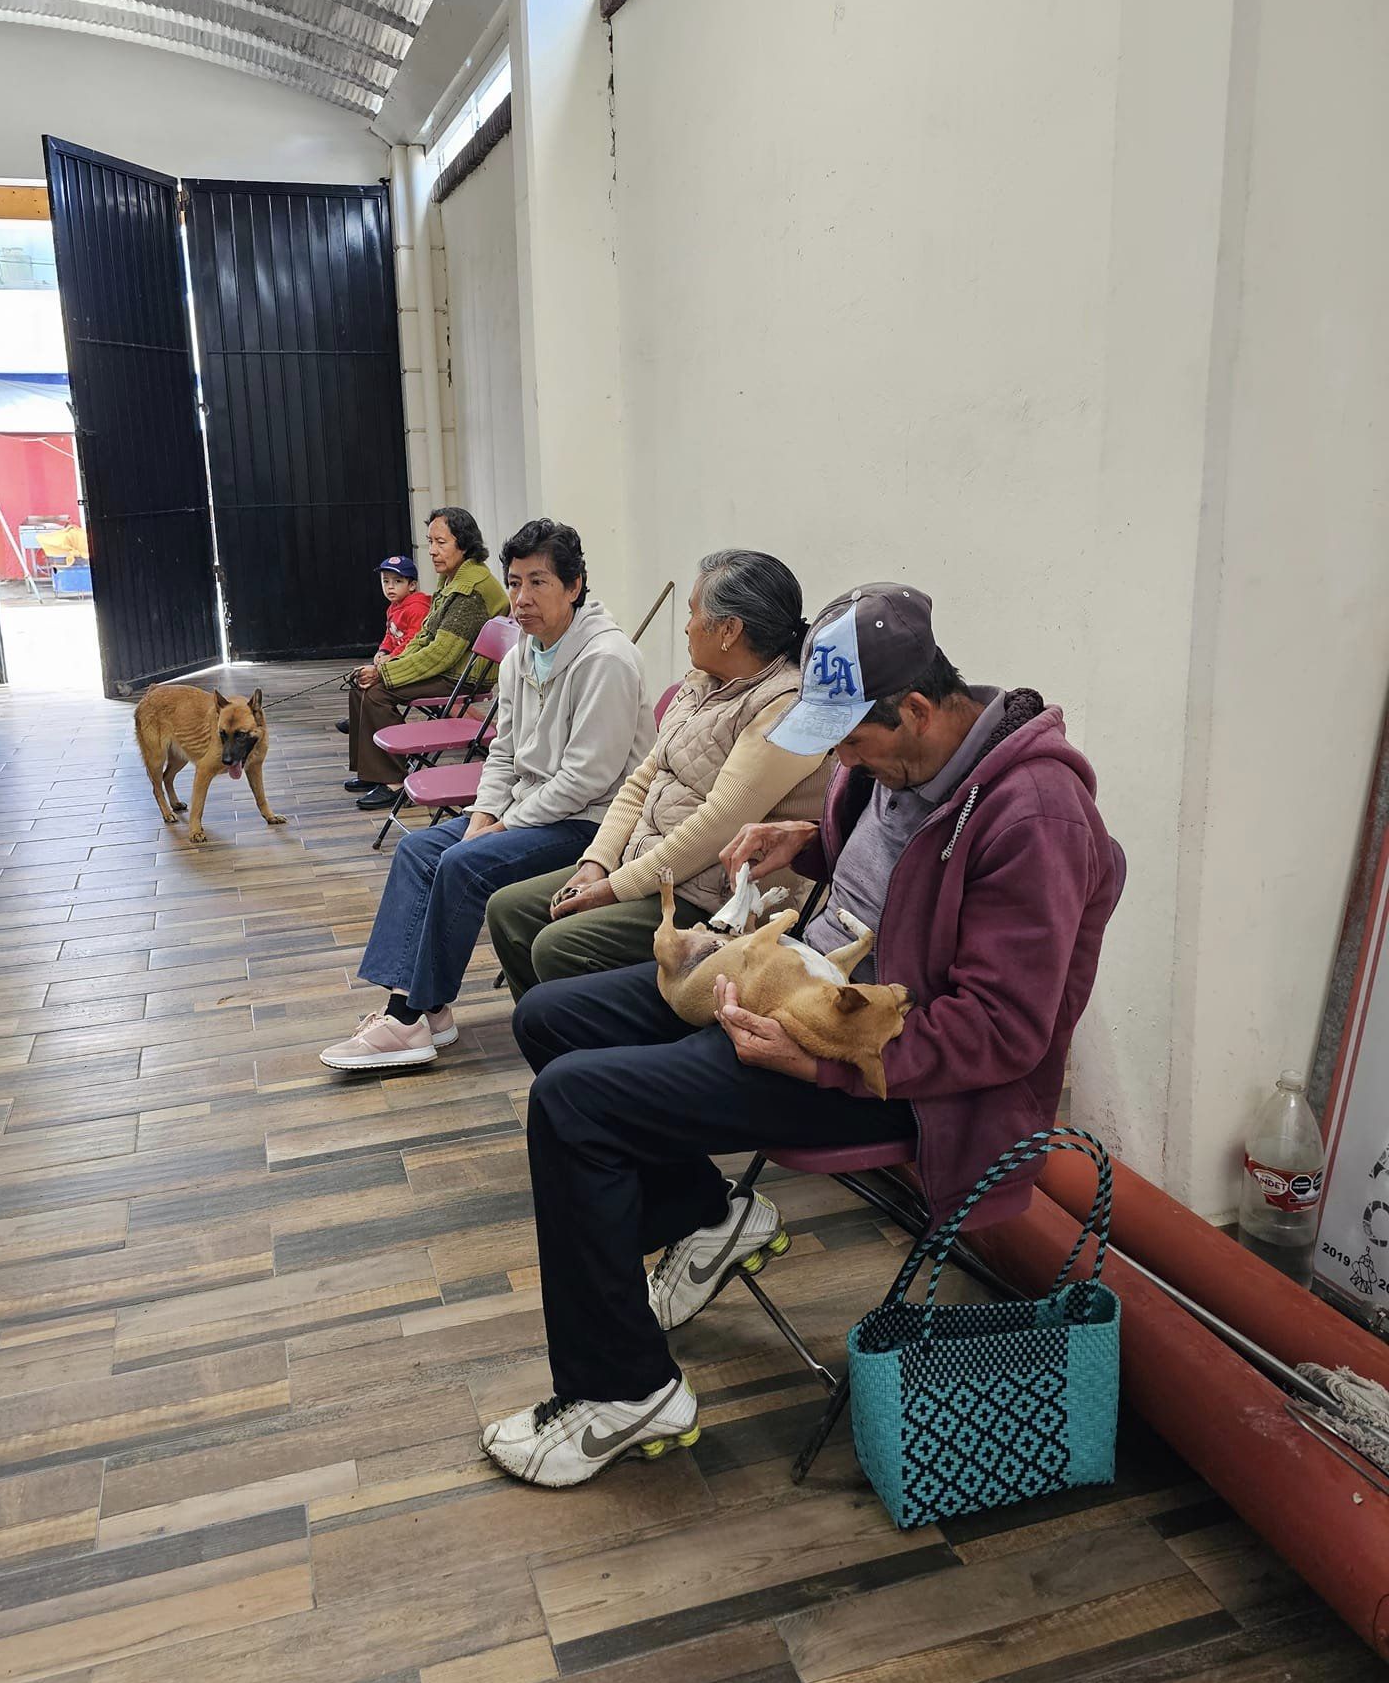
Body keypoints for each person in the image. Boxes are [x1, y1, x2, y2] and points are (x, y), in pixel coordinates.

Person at [478, 582, 1121, 1487]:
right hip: (789, 985)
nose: (842, 760)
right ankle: (710, 1217)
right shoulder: (896, 764)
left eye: (852, 740)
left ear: (920, 709)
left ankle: (624, 1391)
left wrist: (823, 1069)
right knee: (550, 1014)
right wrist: (807, 841)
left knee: (575, 1106)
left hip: (881, 1073)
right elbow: (893, 862)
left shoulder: (1034, 818)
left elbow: (1006, 1031)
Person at [321, 519, 656, 1074]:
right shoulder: (526, 651)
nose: (521, 599)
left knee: (462, 864)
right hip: (533, 811)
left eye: (539, 583)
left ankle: (409, 1014)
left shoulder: (606, 660)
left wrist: (504, 825)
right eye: (515, 582)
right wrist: (484, 813)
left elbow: (588, 779)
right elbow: (502, 751)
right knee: (418, 851)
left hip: (595, 824)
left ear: (575, 587)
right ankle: (427, 1013)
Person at [486, 549, 830, 999]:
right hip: (648, 865)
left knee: (558, 946)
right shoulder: (705, 681)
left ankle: (588, 1046)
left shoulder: (784, 707)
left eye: (692, 612)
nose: (686, 625)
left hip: (711, 896)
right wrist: (597, 863)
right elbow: (641, 779)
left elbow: (716, 826)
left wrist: (615, 888)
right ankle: (554, 1033)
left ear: (729, 631)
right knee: (509, 909)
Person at [346, 507, 509, 808]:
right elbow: (425, 635)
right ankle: (372, 770)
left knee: (376, 693)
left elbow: (440, 655)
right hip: (450, 669)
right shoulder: (452, 577)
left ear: (464, 543)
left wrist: (384, 674)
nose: (432, 550)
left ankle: (394, 782)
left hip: (462, 678)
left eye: (441, 542)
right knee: (361, 685)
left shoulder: (470, 588)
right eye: (430, 541)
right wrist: (387, 663)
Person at [335, 556, 430, 735]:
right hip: (394, 659)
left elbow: (414, 641)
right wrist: (383, 650)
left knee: (373, 684)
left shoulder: (417, 608)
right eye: (385, 581)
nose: (390, 586)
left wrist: (391, 657)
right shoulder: (394, 607)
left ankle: (394, 732)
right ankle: (360, 719)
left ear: (412, 585)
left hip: (408, 663)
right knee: (361, 678)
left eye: (397, 581)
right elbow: (389, 634)